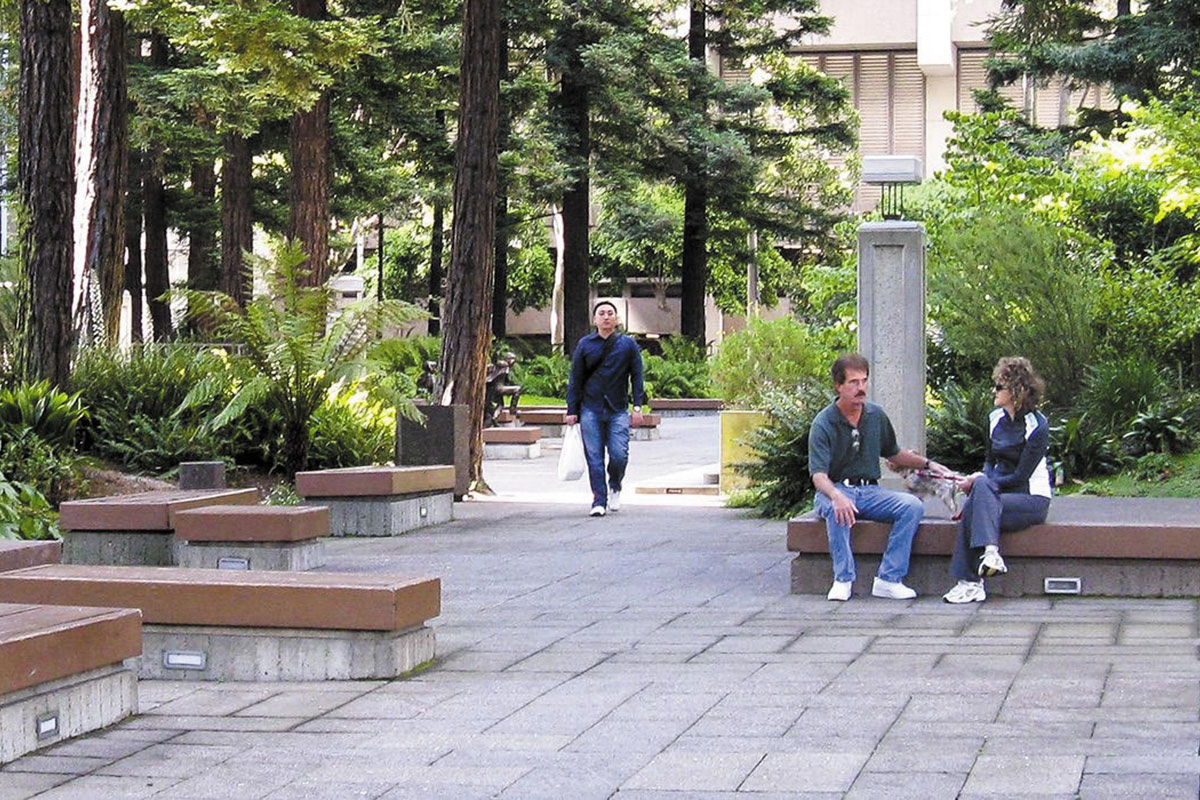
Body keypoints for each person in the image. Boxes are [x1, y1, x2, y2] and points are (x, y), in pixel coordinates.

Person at [809, 353, 948, 601]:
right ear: (838, 385)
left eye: (864, 381)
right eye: (853, 382)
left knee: (911, 506)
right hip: (835, 488)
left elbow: (894, 454)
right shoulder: (824, 423)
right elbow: (819, 476)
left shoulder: (876, 416)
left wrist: (929, 464)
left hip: (870, 491)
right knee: (836, 508)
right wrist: (837, 495)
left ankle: (888, 579)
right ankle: (843, 579)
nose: (860, 388)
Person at [942, 357, 1052, 604]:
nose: (994, 391)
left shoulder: (1038, 426)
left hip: (1029, 498)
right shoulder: (994, 419)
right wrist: (980, 482)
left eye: (999, 386)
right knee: (977, 496)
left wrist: (983, 485)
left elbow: (1020, 477)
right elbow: (990, 462)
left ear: (1017, 390)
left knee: (975, 502)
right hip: (997, 494)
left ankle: (970, 582)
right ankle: (988, 558)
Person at [565, 301, 646, 517]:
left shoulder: (627, 345)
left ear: (616, 319)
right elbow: (576, 379)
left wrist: (637, 406)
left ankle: (615, 485)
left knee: (619, 455)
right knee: (594, 456)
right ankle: (598, 500)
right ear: (595, 320)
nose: (606, 317)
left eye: (610, 313)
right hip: (590, 408)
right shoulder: (585, 345)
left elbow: (637, 376)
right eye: (601, 313)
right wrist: (572, 409)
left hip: (617, 409)